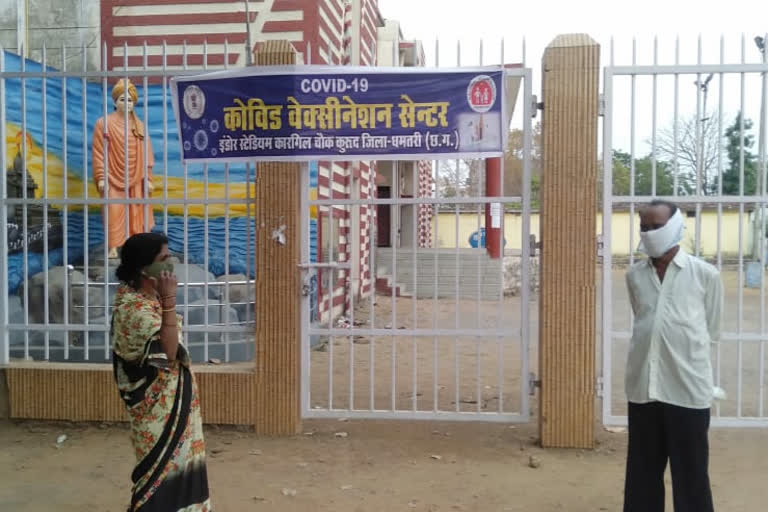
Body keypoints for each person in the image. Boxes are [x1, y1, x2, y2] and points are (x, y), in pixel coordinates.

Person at [623, 199, 723, 512]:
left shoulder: (706, 275)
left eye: (657, 226)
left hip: (687, 390)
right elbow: (642, 316)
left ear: (676, 227)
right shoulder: (634, 276)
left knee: (691, 475)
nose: (649, 232)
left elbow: (712, 328)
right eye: (644, 227)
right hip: (644, 389)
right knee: (642, 474)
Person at [112, 233, 211, 511]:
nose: (171, 262)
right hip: (156, 412)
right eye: (164, 258)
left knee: (183, 473)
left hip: (175, 408)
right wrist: (169, 300)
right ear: (145, 269)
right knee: (159, 480)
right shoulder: (132, 308)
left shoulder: (145, 297)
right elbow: (165, 355)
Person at [92, 78, 155, 259]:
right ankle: (113, 247)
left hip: (137, 175)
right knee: (114, 209)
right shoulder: (103, 124)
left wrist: (148, 178)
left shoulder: (139, 126)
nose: (126, 103)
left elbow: (147, 153)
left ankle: (137, 246)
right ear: (114, 101)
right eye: (122, 99)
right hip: (112, 175)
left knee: (137, 210)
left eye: (129, 100)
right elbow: (99, 152)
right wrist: (101, 176)